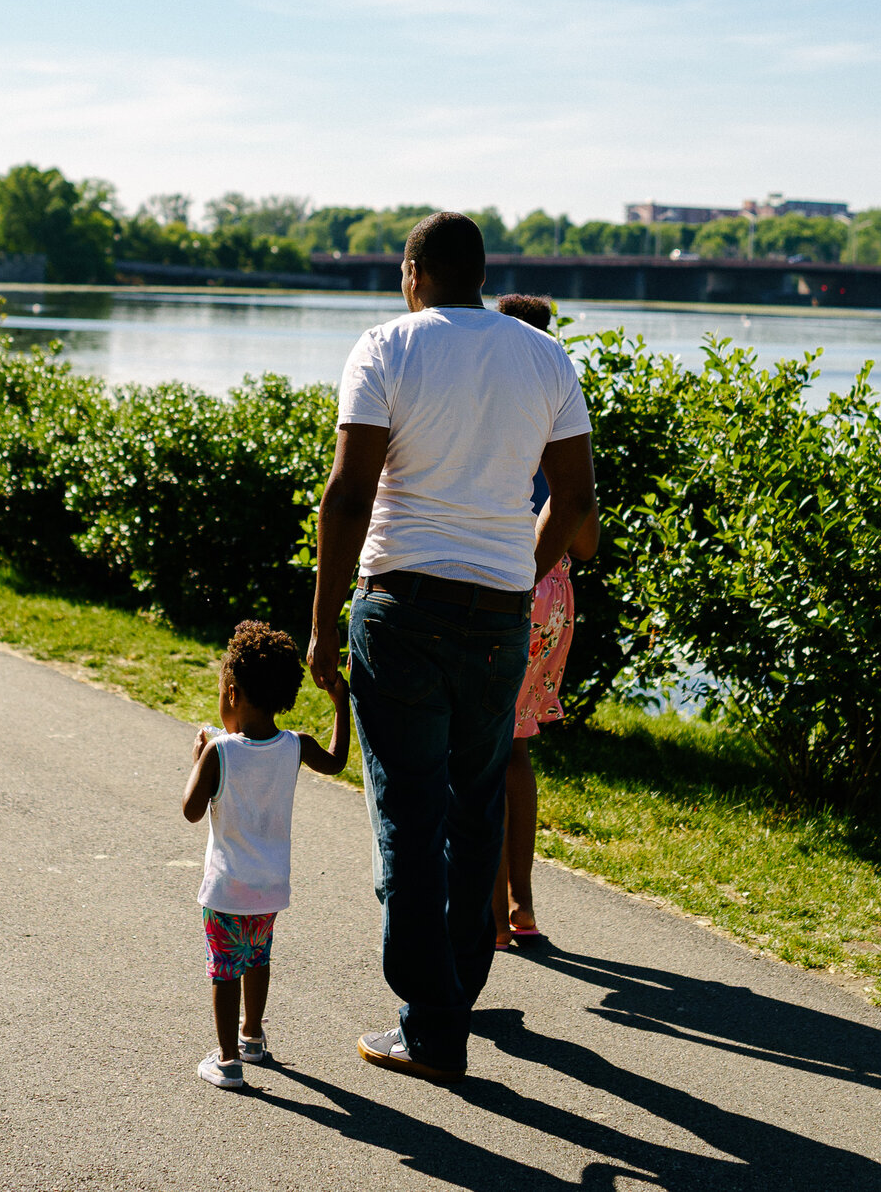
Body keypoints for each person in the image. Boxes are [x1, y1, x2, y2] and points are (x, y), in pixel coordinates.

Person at [308, 213, 596, 1085]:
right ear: (480, 274)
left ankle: (432, 1028)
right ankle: (453, 998)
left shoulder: (386, 347)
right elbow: (575, 504)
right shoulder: (546, 357)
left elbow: (350, 493)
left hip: (399, 608)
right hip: (496, 618)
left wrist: (323, 626)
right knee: (474, 811)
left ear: (413, 272)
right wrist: (518, 571)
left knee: (406, 816)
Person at [180, 621, 352, 1089]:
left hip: (226, 888)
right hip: (270, 887)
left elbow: (191, 811)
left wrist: (199, 758)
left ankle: (228, 1060)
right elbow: (337, 761)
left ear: (232, 694)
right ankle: (252, 1036)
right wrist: (342, 704)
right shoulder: (295, 745)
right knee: (257, 959)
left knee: (224, 967)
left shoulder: (220, 752)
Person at [488, 294, 599, 950]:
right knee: (516, 750)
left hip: (502, 585)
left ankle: (491, 918)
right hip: (554, 596)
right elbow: (584, 544)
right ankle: (522, 905)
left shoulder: (492, 409)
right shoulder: (563, 411)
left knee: (474, 754)